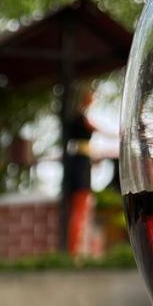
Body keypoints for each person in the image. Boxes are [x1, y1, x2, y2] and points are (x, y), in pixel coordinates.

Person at [62, 87, 97, 256]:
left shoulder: (79, 118)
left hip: (80, 164)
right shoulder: (79, 119)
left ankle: (75, 250)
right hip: (80, 167)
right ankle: (73, 250)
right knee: (79, 207)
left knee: (78, 208)